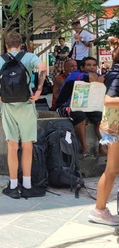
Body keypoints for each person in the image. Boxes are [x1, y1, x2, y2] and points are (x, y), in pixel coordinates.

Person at [0, 31, 47, 199]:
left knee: (12, 146)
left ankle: (12, 186)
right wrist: (39, 90)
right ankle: (26, 185)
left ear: (6, 46)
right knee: (27, 146)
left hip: (8, 107)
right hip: (26, 105)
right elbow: (43, 67)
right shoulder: (29, 57)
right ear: (20, 45)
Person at [88, 36, 119, 226]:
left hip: (113, 127)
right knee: (112, 170)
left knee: (112, 170)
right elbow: (108, 100)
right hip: (115, 128)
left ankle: (100, 210)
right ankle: (99, 210)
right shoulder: (117, 74)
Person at [56, 57, 104, 156]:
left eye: (94, 65)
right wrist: (97, 78)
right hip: (65, 105)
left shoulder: (96, 75)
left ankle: (103, 145)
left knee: (99, 116)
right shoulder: (74, 75)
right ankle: (84, 147)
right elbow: (92, 78)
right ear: (82, 67)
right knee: (80, 116)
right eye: (89, 65)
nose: (92, 67)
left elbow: (101, 78)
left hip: (86, 106)